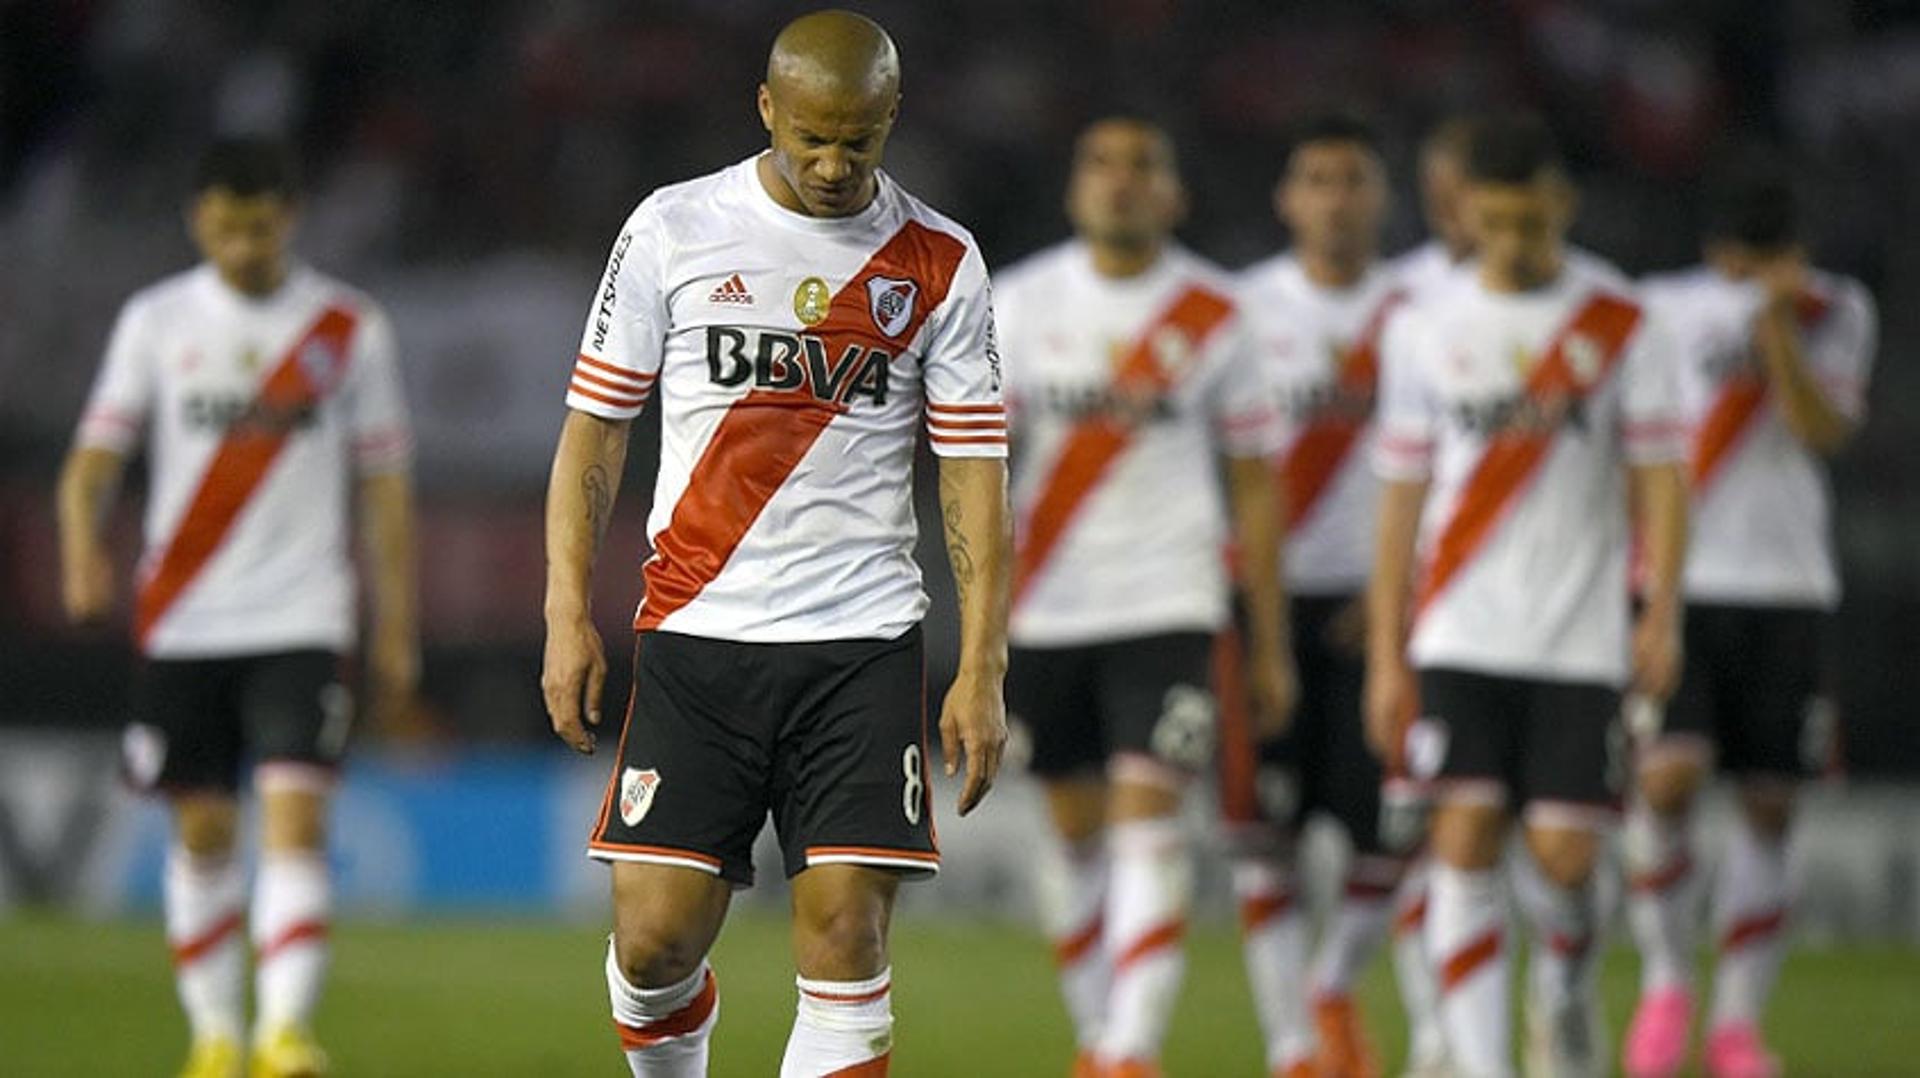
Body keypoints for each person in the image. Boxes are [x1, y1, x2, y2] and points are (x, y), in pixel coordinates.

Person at [538, 11, 1011, 1077]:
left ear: (893, 118)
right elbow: (595, 430)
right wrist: (567, 611)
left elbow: (974, 473)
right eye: (810, 138)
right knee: (654, 944)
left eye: (859, 140)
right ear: (766, 108)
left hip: (862, 641)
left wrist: (982, 663)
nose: (835, 164)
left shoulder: (939, 260)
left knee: (848, 938)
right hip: (700, 637)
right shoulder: (671, 228)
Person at [56, 136, 418, 1078]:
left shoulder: (347, 329)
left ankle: (284, 1036)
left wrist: (398, 626)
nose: (242, 248)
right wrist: (81, 550)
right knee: (204, 831)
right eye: (224, 229)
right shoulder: (156, 319)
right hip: (185, 617)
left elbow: (385, 488)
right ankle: (215, 1038)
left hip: (304, 613)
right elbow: (94, 458)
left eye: (257, 229)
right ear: (198, 222)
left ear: (288, 218)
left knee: (297, 817)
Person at [1364, 115, 1688, 1078]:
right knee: (1461, 840)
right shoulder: (1424, 327)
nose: (1512, 243)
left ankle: (1565, 994)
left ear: (1563, 207)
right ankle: (1481, 1065)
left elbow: (1662, 478)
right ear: (1470, 214)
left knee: (1566, 859)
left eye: (1529, 223)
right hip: (1461, 629)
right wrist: (1390, 652)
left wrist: (1661, 612)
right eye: (1494, 223)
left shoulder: (1625, 322)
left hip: (1580, 635)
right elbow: (1401, 500)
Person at [996, 116, 1294, 1078]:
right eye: (1102, 164)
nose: (1120, 181)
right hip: (1047, 606)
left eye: (1143, 165)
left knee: (1150, 815)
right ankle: (1098, 1034)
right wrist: (977, 624)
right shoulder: (1020, 304)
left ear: (1175, 193)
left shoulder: (1218, 314)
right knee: (1074, 829)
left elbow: (1254, 481)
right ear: (1077, 187)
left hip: (1171, 599)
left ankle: (1128, 1050)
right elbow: (980, 472)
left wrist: (1271, 640)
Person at [1622, 156, 1877, 1078]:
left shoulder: (1836, 311)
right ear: (1715, 249)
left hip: (1788, 585)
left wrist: (1776, 327)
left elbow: (1821, 430)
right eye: (1747, 253)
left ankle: (1736, 1025)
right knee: (1666, 783)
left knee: (1772, 803)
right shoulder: (1660, 310)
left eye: (1776, 250)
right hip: (1679, 582)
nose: (1760, 265)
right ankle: (1665, 982)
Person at [1225, 111, 1409, 1078]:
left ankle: (1332, 984)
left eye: (1354, 180)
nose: (1336, 200)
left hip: (1381, 606)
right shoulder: (1241, 310)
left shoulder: (1419, 312)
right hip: (1267, 607)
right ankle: (1297, 1049)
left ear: (1382, 196)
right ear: (1288, 198)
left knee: (1393, 834)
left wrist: (1401, 591)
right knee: (1267, 839)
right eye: (1318, 180)